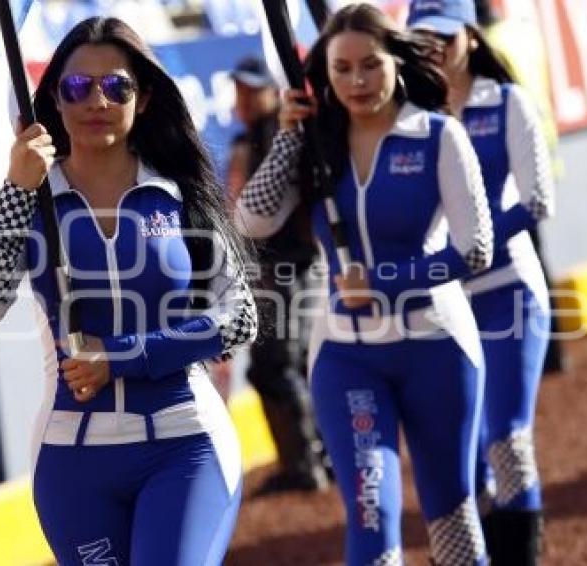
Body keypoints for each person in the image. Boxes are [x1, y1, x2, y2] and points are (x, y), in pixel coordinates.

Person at [0, 17, 257, 566]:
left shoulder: (180, 193)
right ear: (54, 100)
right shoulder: (30, 200)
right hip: (73, 461)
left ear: (141, 100)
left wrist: (123, 358)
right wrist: (15, 187)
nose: (97, 99)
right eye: (77, 87)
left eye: (116, 86)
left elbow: (240, 319)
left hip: (185, 444)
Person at [235, 4, 493, 564]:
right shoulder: (315, 143)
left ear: (396, 62)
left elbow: (475, 248)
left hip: (438, 349)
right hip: (348, 357)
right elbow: (251, 220)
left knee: (450, 509)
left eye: (370, 65)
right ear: (323, 74)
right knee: (370, 513)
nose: (357, 81)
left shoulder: (439, 136)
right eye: (342, 68)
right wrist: (287, 136)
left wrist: (385, 282)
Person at [409, 1, 556, 563]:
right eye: (422, 40)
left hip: (508, 293)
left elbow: (538, 198)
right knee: (461, 460)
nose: (436, 50)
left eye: (445, 37)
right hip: (445, 305)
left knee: (507, 438)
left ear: (470, 35)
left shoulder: (507, 102)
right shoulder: (409, 114)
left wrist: (472, 249)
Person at [225, 55, 328, 494]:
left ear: (272, 91)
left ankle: (305, 464)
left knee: (278, 368)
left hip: (286, 269)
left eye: (253, 89)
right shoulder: (254, 137)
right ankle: (314, 458)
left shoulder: (277, 135)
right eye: (240, 89)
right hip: (281, 269)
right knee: (286, 367)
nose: (244, 97)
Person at [475, 0, 570, 375]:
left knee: (524, 262)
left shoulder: (489, 48)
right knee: (537, 258)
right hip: (543, 155)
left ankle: (543, 349)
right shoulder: (523, 33)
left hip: (510, 169)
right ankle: (553, 348)